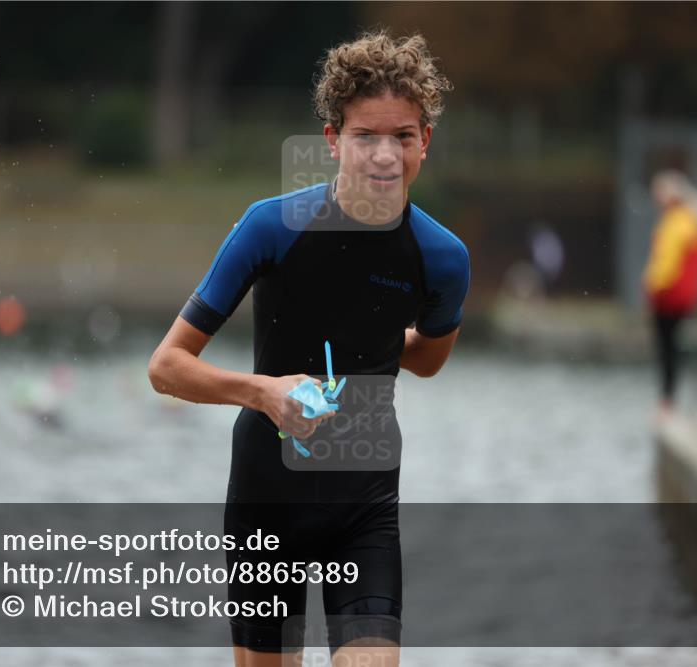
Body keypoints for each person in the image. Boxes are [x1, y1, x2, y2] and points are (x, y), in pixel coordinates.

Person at [149, 29, 469, 667]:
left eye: (402, 136)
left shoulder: (442, 257)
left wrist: (375, 344)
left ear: (424, 142)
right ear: (333, 141)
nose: (384, 155)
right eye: (365, 136)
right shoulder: (271, 227)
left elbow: (430, 357)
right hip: (268, 499)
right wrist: (263, 392)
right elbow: (167, 367)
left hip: (366, 505)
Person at [642, 169, 697, 412]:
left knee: (666, 347)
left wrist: (652, 286)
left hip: (669, 297)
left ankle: (667, 399)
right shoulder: (695, 222)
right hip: (686, 297)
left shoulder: (676, 222)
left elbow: (666, 263)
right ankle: (670, 397)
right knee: (674, 345)